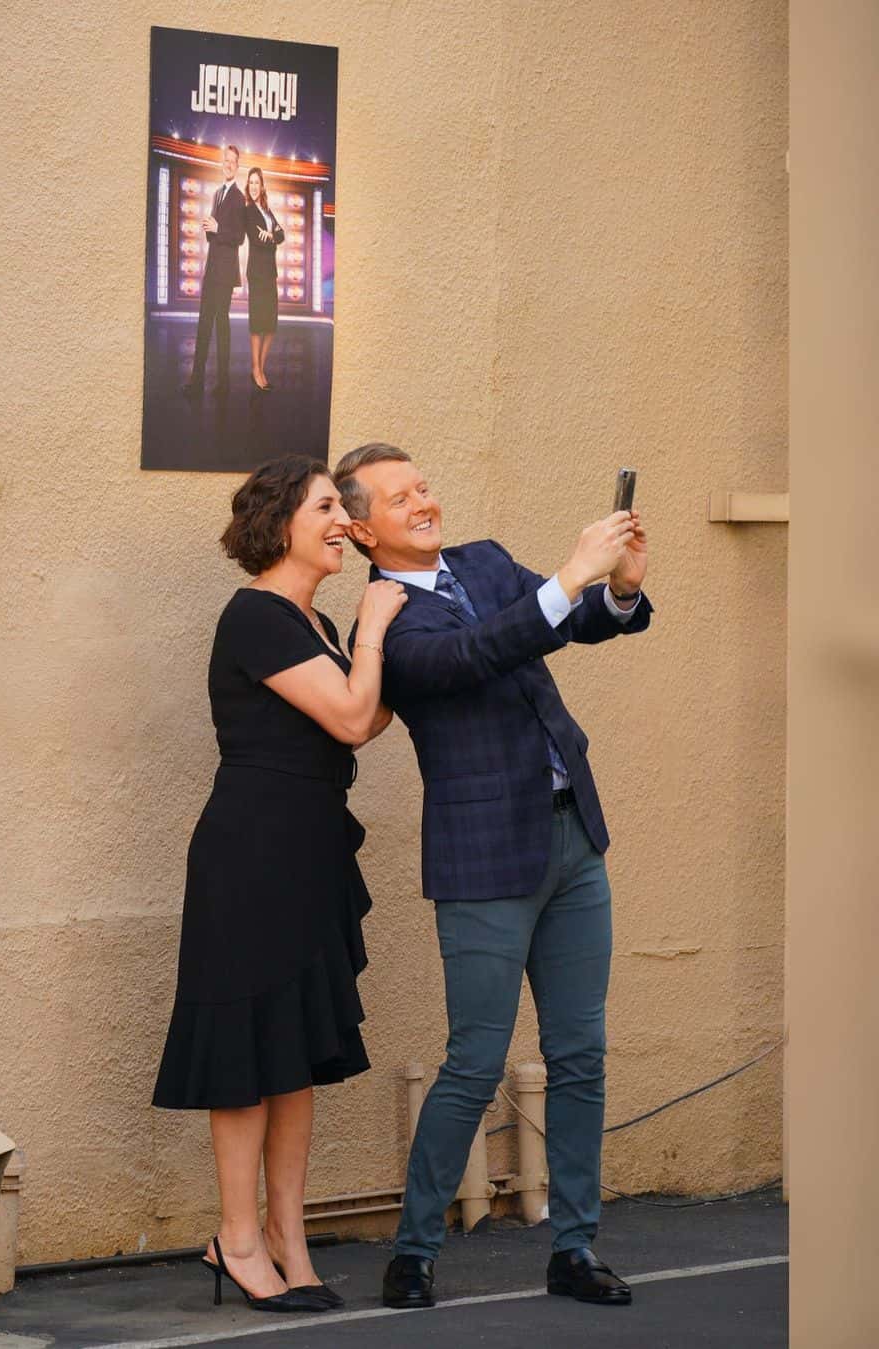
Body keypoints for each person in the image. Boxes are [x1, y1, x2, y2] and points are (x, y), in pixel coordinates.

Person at [333, 442, 653, 1312]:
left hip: (572, 842)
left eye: (424, 485)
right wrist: (570, 572)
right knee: (474, 1060)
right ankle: (415, 1249)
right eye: (401, 498)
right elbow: (473, 655)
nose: (424, 502)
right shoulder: (386, 618)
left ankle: (576, 1247)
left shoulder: (482, 560)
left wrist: (615, 586)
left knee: (580, 1054)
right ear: (364, 529)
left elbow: (568, 623)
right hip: (484, 857)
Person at [152, 455, 406, 1314]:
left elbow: (365, 720)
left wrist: (374, 641)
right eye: (328, 506)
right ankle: (237, 1236)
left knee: (292, 1052)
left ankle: (291, 1241)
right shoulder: (257, 616)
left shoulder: (316, 624)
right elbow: (346, 712)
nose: (343, 519)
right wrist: (374, 630)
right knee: (246, 1053)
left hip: (310, 849)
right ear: (282, 522)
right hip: (251, 854)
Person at [182, 144, 245, 400]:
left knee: (222, 326)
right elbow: (215, 235)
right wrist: (209, 229)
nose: (228, 164)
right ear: (222, 163)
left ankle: (223, 384)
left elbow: (239, 237)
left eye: (233, 161)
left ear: (237, 166)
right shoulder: (217, 193)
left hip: (225, 273)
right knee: (204, 324)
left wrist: (218, 229)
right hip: (212, 269)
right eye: (225, 160)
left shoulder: (239, 198)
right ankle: (196, 381)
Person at [243, 167, 285, 393]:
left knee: (270, 325)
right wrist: (272, 237)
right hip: (257, 275)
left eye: (257, 182)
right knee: (258, 323)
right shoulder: (249, 211)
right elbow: (257, 240)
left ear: (262, 186)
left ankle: (260, 367)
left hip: (270, 274)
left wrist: (271, 235)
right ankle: (256, 370)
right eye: (250, 183)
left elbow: (282, 234)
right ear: (248, 187)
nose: (254, 186)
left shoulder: (267, 211)